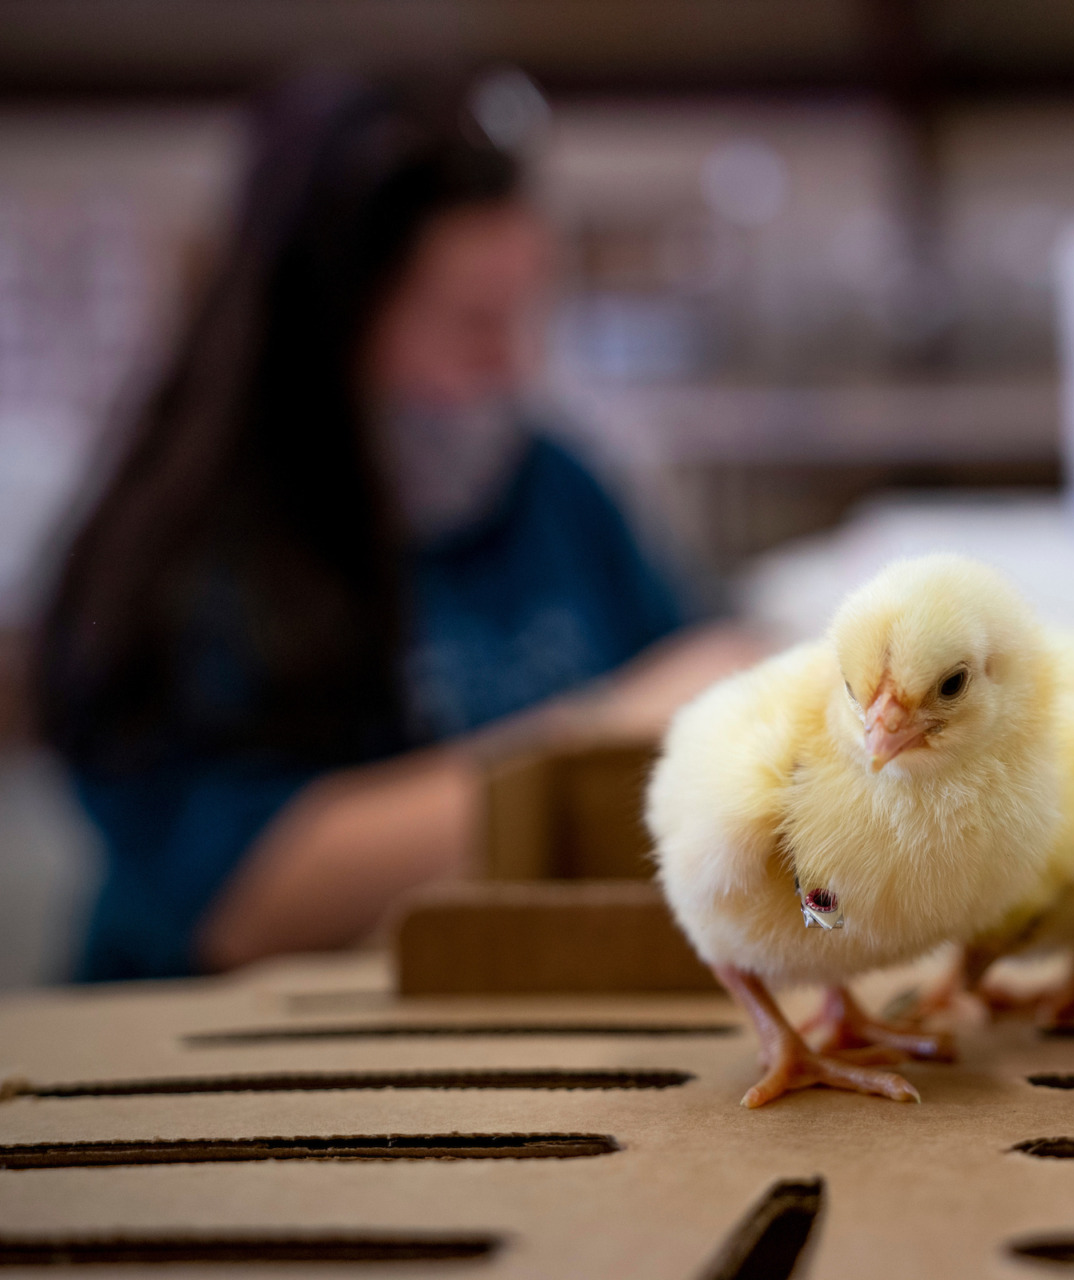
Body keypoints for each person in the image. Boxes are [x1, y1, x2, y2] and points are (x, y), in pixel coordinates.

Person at [32, 70, 758, 982]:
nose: (513, 364)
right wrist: (599, 735)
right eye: (470, 324)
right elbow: (244, 901)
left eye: (526, 310)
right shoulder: (194, 548)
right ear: (326, 325)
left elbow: (697, 670)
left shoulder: (550, 488)